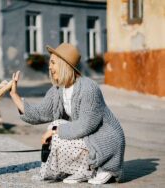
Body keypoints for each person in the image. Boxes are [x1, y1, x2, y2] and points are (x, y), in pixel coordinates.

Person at [9, 43, 125, 184]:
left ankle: (102, 168)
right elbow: (39, 113)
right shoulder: (57, 90)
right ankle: (83, 170)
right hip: (88, 138)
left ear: (64, 64)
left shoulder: (89, 88)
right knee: (55, 125)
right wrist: (14, 95)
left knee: (55, 130)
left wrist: (54, 132)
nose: (49, 67)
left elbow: (85, 126)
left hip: (105, 141)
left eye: (53, 63)